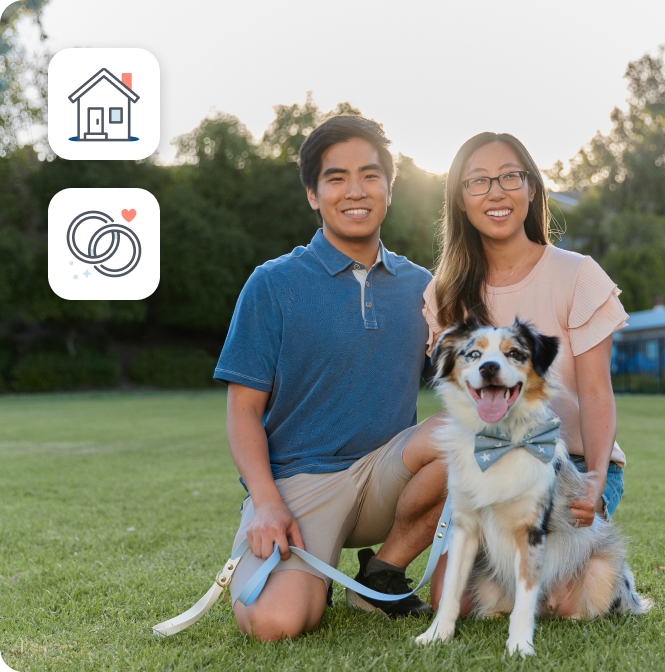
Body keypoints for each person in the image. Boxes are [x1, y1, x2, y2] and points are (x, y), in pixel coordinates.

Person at [214, 116, 446, 641]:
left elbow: (475, 374)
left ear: (390, 187)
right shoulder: (272, 284)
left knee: (467, 433)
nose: (355, 191)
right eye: (336, 178)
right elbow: (243, 411)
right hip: (299, 485)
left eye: (369, 175)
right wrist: (266, 502)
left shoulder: (425, 288)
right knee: (275, 623)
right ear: (313, 195)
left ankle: (378, 576)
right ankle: (297, 571)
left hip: (388, 477)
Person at [423, 132, 629, 614]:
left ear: (532, 189)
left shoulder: (578, 275)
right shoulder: (445, 292)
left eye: (510, 177)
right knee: (449, 602)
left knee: (578, 604)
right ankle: (393, 571)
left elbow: (598, 393)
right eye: (478, 181)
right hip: (484, 462)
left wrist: (596, 480)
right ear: (459, 197)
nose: (496, 192)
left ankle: (588, 562)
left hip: (572, 467)